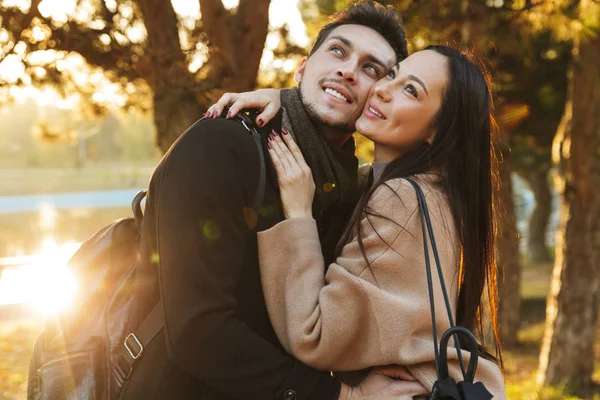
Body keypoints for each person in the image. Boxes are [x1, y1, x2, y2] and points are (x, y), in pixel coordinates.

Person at [119, 2, 428, 400]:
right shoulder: (220, 146)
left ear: (378, 97)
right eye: (337, 51)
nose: (348, 70)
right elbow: (197, 329)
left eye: (371, 68)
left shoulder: (350, 191)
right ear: (302, 69)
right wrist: (341, 398)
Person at [210, 45, 507, 398]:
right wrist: (286, 100)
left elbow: (315, 336)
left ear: (438, 132)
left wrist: (299, 215)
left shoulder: (402, 199)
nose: (383, 88)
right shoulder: (419, 191)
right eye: (393, 75)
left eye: (411, 90)